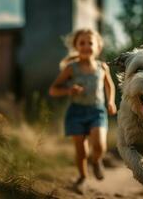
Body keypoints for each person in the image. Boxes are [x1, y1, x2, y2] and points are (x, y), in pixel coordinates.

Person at [49, 29, 117, 194]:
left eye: (90, 43)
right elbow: (53, 90)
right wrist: (69, 90)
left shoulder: (102, 67)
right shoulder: (71, 68)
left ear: (98, 47)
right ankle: (83, 177)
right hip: (76, 113)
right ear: (76, 47)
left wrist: (110, 101)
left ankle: (97, 161)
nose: (86, 46)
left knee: (99, 145)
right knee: (81, 151)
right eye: (82, 43)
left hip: (97, 111)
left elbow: (110, 86)